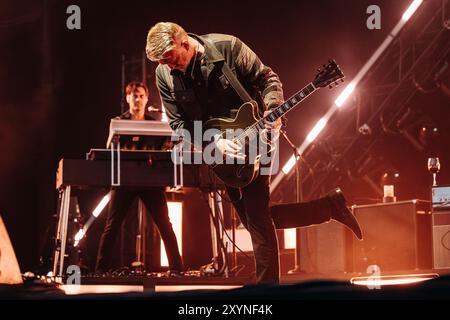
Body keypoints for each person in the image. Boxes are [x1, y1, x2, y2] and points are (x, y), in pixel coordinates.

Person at [145, 22, 362, 284]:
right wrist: (213, 142)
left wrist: (273, 108)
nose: (168, 66)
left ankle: (267, 293)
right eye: (162, 62)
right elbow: (178, 124)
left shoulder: (228, 47)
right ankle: (330, 207)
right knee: (254, 221)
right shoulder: (164, 74)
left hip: (259, 137)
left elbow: (267, 78)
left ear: (185, 44)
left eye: (171, 59)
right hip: (218, 150)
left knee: (257, 218)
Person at [95, 81, 184, 274]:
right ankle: (100, 270)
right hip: (125, 180)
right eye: (134, 95)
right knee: (112, 224)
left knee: (165, 224)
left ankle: (177, 269)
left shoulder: (155, 124)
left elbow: (165, 148)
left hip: (150, 181)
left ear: (146, 99)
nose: (138, 99)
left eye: (141, 96)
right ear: (127, 98)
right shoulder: (118, 121)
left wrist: (166, 147)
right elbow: (110, 150)